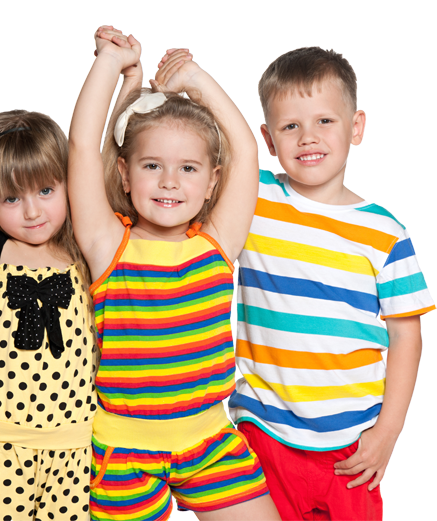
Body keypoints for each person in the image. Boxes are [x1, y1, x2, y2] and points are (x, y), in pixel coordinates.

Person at [68, 27, 281, 521]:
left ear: (212, 183)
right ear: (124, 174)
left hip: (210, 441)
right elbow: (81, 145)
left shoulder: (217, 244)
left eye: (188, 168)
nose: (169, 181)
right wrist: (109, 61)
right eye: (151, 166)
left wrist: (195, 79)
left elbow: (246, 150)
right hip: (122, 451)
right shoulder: (108, 245)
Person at [227, 46, 435, 520]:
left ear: (356, 127)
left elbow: (407, 336)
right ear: (268, 138)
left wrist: (387, 434)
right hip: (262, 429)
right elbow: (224, 144)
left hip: (350, 445)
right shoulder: (256, 197)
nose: (307, 138)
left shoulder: (386, 232)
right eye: (290, 126)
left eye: (325, 121)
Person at [0, 16, 98, 521]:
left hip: (75, 452)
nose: (32, 212)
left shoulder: (87, 249)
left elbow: (99, 153)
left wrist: (127, 79)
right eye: (12, 197)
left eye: (46, 191)